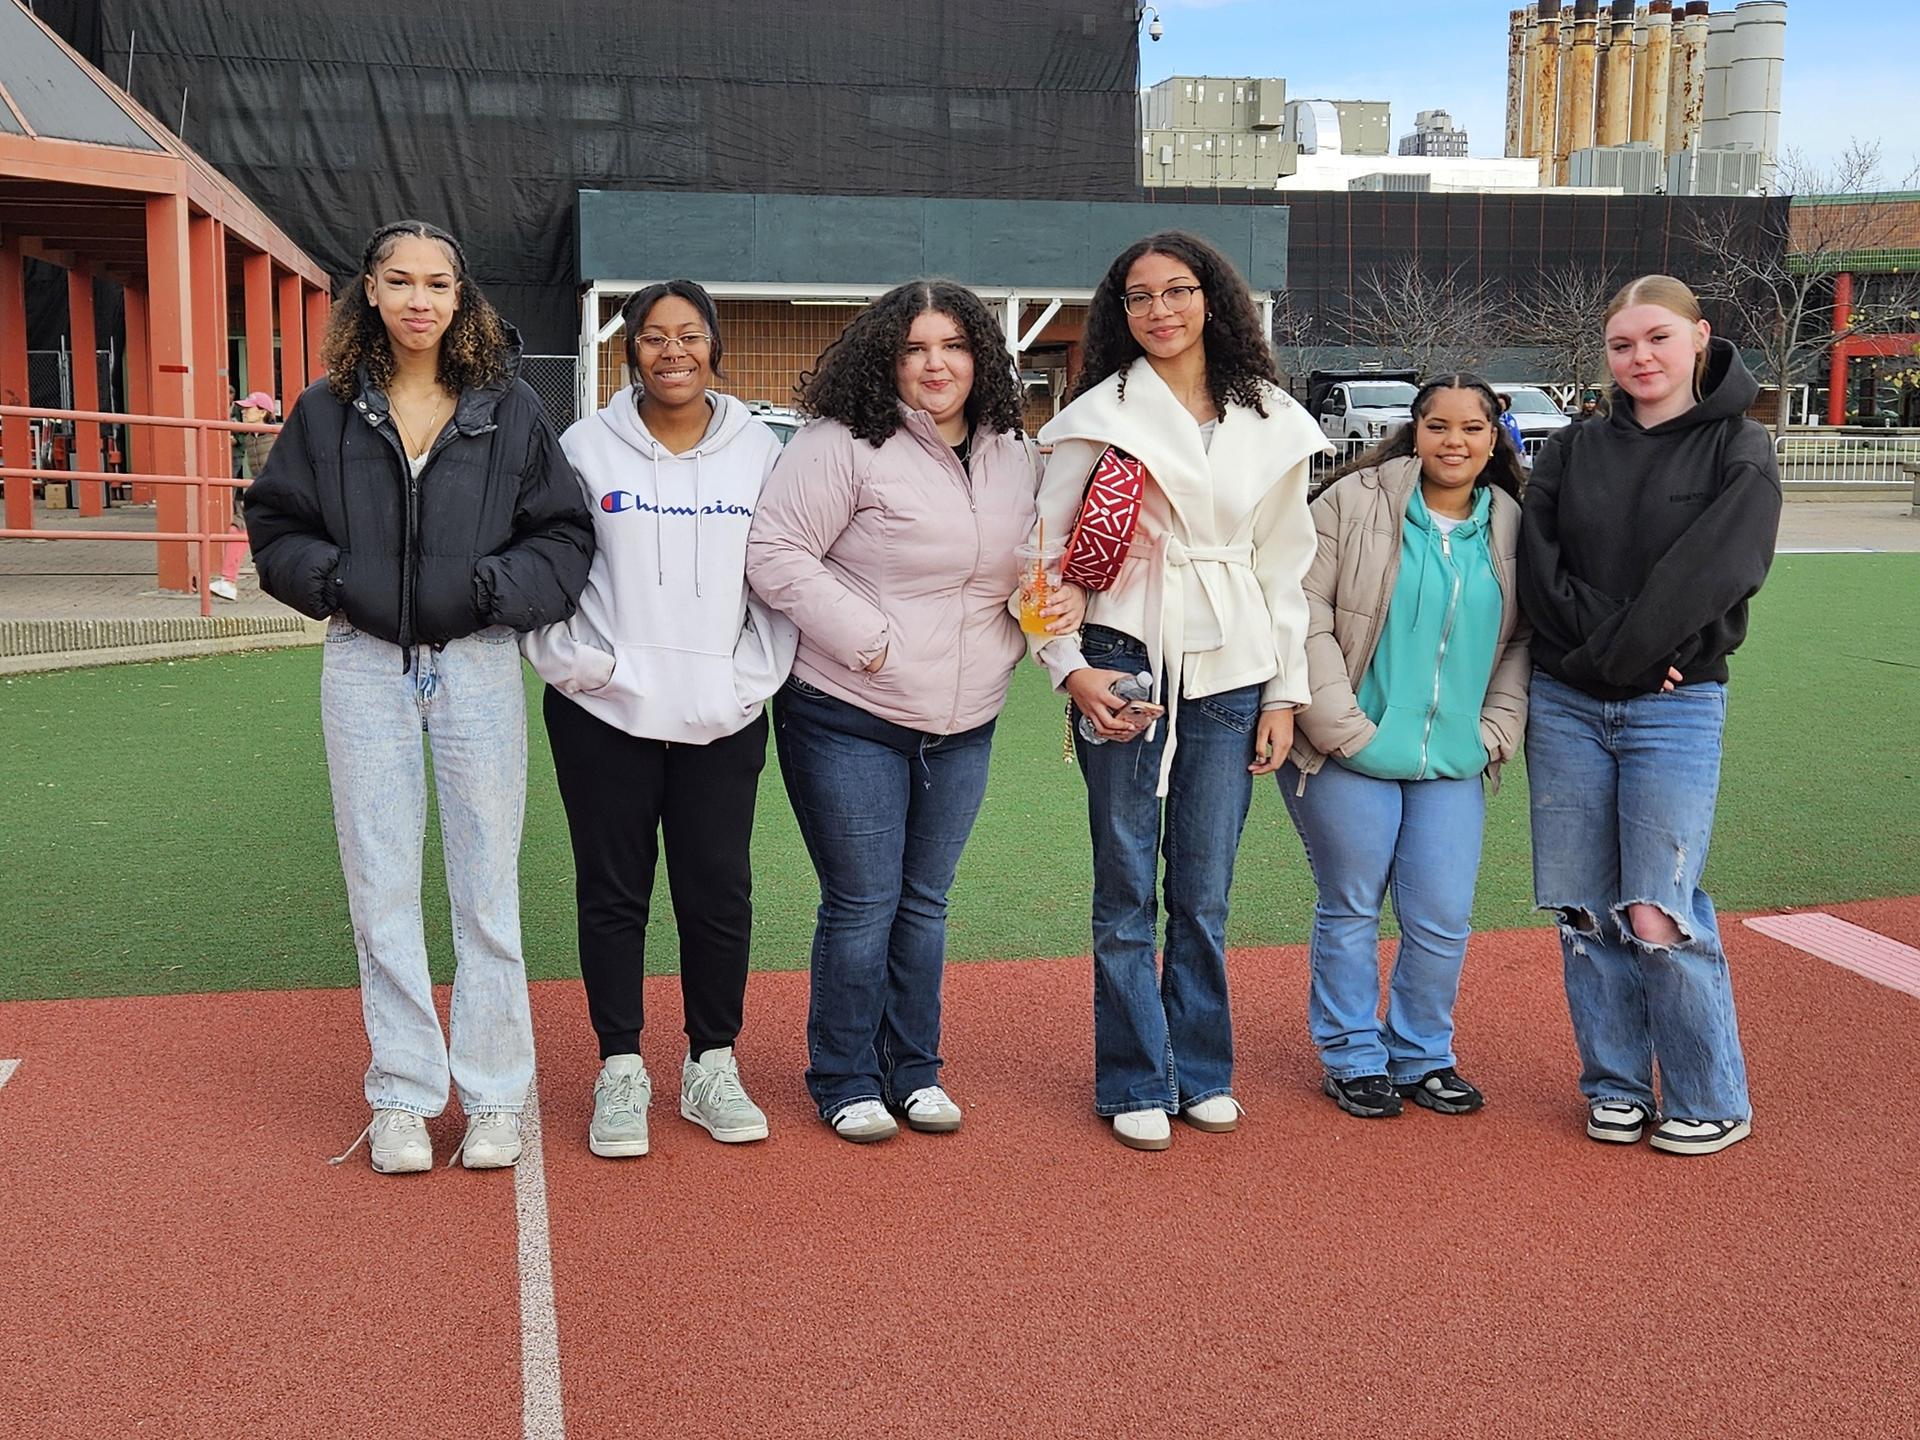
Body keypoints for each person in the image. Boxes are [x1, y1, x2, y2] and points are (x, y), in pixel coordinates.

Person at [245, 220, 594, 1174]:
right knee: (381, 887)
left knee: (486, 890)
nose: (417, 301)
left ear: (460, 296)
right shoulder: (325, 412)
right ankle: (402, 1093)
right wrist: (336, 583)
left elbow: (563, 537)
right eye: (398, 281)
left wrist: (486, 594)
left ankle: (490, 1097)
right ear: (367, 290)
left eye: (436, 284)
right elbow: (274, 524)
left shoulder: (508, 407)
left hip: (478, 664)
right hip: (364, 663)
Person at [1029, 231, 1324, 1151]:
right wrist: (1069, 668)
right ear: (1121, 314)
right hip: (1124, 652)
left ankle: (1201, 1070)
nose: (1161, 310)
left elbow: (1288, 568)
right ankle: (1132, 1079)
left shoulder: (1272, 417)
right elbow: (1042, 560)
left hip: (1234, 666)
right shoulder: (1096, 417)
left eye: (1178, 291)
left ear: (1212, 300)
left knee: (1203, 886)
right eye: (1140, 296)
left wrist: (1285, 693)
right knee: (1124, 884)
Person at [746, 279, 1056, 1144]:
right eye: (915, 347)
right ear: (887, 357)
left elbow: (1024, 580)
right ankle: (844, 1075)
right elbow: (775, 552)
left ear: (980, 358)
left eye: (953, 346)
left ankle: (914, 1070)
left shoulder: (1010, 452)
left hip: (965, 720)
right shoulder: (842, 442)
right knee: (862, 903)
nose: (934, 364)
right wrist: (872, 641)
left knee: (925, 903)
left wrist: (1048, 623)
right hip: (849, 710)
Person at [523, 280, 795, 1159]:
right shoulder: (582, 448)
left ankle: (711, 1062)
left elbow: (780, 581)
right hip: (603, 715)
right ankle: (620, 1068)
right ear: (629, 349)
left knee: (719, 896)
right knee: (613, 893)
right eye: (651, 337)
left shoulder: (762, 453)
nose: (671, 351)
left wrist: (746, 680)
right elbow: (543, 566)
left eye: (688, 335)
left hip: (721, 715)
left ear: (715, 346)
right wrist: (586, 670)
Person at [1518, 273, 1780, 1157]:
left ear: (1700, 337)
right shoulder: (1571, 450)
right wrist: (1610, 657)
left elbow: (1715, 572)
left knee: (1656, 908)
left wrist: (1629, 656)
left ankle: (1710, 1094)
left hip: (1676, 704)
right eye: (1624, 344)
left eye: (1659, 338)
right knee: (1586, 911)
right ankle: (1618, 1084)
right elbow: (1540, 572)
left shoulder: (1740, 448)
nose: (1641, 357)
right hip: (1567, 705)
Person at [1279, 375, 1531, 1120]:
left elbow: (1521, 640)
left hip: (1453, 760)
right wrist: (1344, 726)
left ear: (1494, 438)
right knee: (1352, 904)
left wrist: (1492, 732)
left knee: (1442, 915)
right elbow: (1305, 613)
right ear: (1414, 430)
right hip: (1350, 750)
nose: (1455, 442)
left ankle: (1423, 1054)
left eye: (1473, 428)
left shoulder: (1513, 524)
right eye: (1439, 425)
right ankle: (1354, 1055)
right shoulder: (1351, 505)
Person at [213, 390, 279, 602]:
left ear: (262, 413)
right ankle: (228, 580)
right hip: (260, 494)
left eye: (248, 409)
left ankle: (229, 581)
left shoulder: (278, 435)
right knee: (238, 527)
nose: (244, 412)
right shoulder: (250, 436)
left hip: (276, 495)